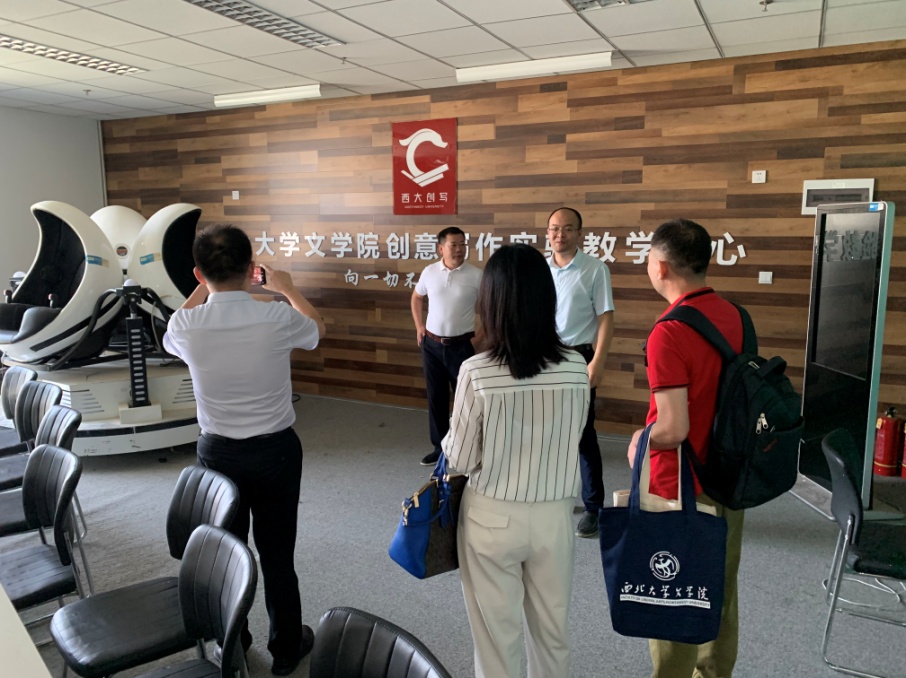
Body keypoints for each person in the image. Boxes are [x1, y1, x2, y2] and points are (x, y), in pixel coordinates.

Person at [163, 224, 326, 677]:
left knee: (226, 553)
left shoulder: (185, 325)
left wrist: (201, 288)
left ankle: (235, 642)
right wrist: (287, 288)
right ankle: (287, 648)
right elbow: (317, 329)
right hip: (276, 454)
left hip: (217, 458)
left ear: (199, 273)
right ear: (252, 267)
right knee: (277, 555)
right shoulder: (276, 316)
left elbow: (174, 326)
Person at [443, 244, 590, 678]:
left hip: (491, 517)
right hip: (555, 517)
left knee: (496, 640)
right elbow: (575, 434)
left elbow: (460, 457)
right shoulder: (576, 367)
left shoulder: (476, 371)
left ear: (490, 302)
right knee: (552, 635)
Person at [628, 218, 745, 678]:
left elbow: (674, 427)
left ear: (660, 267)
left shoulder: (669, 332)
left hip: (681, 484)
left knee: (672, 592)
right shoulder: (735, 314)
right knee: (720, 587)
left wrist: (641, 440)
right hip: (729, 476)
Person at [546, 207, 614, 538]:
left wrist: (597, 361)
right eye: (554, 229)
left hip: (578, 359)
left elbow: (605, 318)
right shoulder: (540, 270)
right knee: (548, 432)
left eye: (567, 229)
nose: (560, 234)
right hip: (544, 359)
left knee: (583, 435)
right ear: (548, 233)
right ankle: (556, 495)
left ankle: (593, 507)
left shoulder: (594, 269)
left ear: (579, 234)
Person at [410, 226, 482, 466]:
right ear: (441, 248)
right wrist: (419, 326)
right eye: (454, 245)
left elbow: (491, 308)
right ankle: (439, 449)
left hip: (462, 347)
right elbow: (417, 297)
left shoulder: (476, 275)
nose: (459, 249)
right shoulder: (429, 272)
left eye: (463, 244)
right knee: (436, 398)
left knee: (465, 401)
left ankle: (467, 449)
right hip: (431, 345)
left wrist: (479, 337)